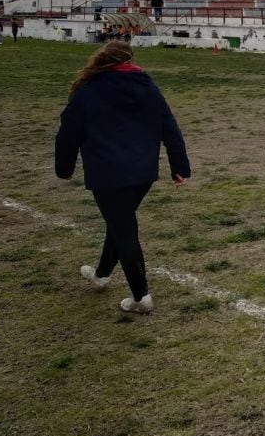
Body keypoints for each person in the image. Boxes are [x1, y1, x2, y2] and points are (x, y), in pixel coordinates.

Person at [54, 41, 191, 314]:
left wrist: (64, 168)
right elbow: (170, 127)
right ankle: (101, 275)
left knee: (123, 228)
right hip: (142, 173)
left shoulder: (88, 91)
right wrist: (179, 165)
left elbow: (68, 133)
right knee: (119, 222)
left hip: (108, 174)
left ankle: (141, 297)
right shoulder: (147, 87)